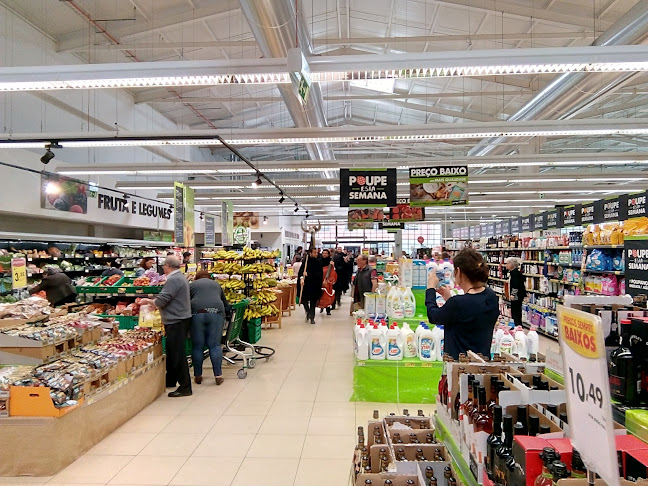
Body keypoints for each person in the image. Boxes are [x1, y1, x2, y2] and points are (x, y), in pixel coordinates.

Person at [425, 248, 499, 360]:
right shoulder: (491, 296)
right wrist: (449, 299)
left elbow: (434, 316)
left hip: (459, 367)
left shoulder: (457, 303)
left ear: (458, 272)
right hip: (483, 364)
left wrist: (430, 288)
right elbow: (470, 313)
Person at [140, 256, 192, 398]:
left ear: (168, 266)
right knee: (172, 351)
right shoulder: (180, 277)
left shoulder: (174, 279)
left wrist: (148, 301)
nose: (163, 268)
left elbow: (163, 299)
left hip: (176, 320)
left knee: (178, 353)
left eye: (163, 266)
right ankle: (171, 380)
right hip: (180, 318)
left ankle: (185, 386)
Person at [189, 270, 230, 386]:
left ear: (197, 278)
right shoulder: (216, 284)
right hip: (216, 313)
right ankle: (218, 376)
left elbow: (186, 302)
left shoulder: (192, 285)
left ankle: (198, 376)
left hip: (197, 313)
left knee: (197, 346)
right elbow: (225, 303)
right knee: (215, 345)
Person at [297, 247, 323, 324]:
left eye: (317, 253)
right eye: (314, 253)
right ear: (310, 253)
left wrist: (309, 274)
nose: (316, 254)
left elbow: (319, 274)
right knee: (304, 300)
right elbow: (301, 271)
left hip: (314, 285)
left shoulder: (318, 262)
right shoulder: (305, 261)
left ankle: (312, 317)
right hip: (306, 285)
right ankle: (308, 312)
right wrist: (302, 277)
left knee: (313, 302)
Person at [505, 257, 527, 327]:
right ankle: (517, 325)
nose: (506, 265)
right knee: (515, 310)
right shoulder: (513, 272)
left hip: (517, 295)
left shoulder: (515, 273)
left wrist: (513, 294)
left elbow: (515, 284)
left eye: (507, 263)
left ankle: (518, 326)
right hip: (517, 295)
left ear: (512, 264)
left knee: (516, 311)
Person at [318, 249, 336, 316]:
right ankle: (322, 306)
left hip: (328, 280)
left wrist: (333, 266)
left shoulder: (330, 261)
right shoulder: (319, 261)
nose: (324, 254)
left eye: (326, 253)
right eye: (323, 253)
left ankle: (328, 309)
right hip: (321, 279)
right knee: (321, 294)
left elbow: (334, 272)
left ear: (328, 254)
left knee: (328, 294)